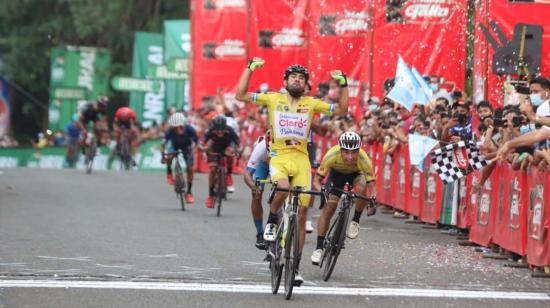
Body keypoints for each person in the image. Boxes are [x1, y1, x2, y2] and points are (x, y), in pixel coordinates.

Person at [235, 57, 349, 284]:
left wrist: (344, 85)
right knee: (283, 189)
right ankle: (271, 221)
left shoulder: (311, 103)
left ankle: (295, 268)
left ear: (306, 84)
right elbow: (240, 95)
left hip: (301, 160)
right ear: (285, 81)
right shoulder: (272, 98)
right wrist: (249, 69)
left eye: (302, 78)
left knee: (302, 214)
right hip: (279, 156)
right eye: (293, 77)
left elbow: (343, 109)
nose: (297, 80)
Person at [310, 131, 377, 264]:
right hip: (336, 176)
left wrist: (373, 201)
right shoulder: (332, 154)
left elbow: (372, 185)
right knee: (329, 208)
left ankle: (355, 220)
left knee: (362, 187)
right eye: (346, 152)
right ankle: (318, 248)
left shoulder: (364, 159)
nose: (350, 157)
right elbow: (317, 180)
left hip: (356, 175)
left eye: (354, 153)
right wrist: (322, 190)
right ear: (340, 150)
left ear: (359, 150)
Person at [200, 115, 240, 208]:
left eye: (222, 130)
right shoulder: (210, 130)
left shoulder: (230, 130)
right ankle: (210, 195)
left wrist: (238, 150)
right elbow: (202, 142)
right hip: (215, 148)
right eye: (218, 130)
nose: (220, 132)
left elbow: (237, 142)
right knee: (213, 169)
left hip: (227, 147)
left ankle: (229, 174)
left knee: (230, 154)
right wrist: (203, 147)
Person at [160, 112, 199, 204]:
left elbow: (197, 143)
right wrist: (162, 155)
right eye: (175, 127)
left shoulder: (190, 130)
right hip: (174, 146)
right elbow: (162, 144)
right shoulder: (169, 131)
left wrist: (193, 151)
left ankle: (189, 192)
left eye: (180, 127)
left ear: (184, 125)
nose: (178, 129)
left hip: (187, 147)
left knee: (190, 169)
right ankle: (169, 172)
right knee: (169, 156)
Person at [243, 131, 271, 250]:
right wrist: (254, 187)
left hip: (282, 163)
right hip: (263, 165)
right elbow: (247, 175)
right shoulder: (261, 147)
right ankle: (260, 233)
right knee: (256, 195)